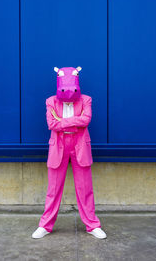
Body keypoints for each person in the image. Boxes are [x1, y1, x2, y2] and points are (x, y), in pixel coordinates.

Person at [32, 66, 107, 239]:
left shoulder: (86, 100)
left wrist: (63, 121)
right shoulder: (51, 101)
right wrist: (75, 121)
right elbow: (52, 124)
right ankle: (45, 225)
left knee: (85, 188)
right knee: (53, 189)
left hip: (80, 145)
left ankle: (92, 225)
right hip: (58, 146)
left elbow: (86, 120)